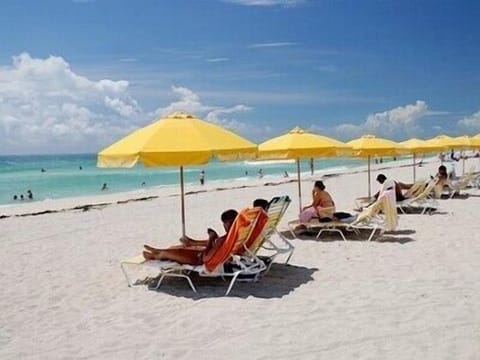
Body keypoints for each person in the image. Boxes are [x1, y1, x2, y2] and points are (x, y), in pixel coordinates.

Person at [143, 209, 238, 265]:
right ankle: (158, 250)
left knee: (180, 251)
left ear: (228, 223)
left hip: (199, 259)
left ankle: (156, 255)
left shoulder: (225, 238)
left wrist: (211, 239)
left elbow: (206, 259)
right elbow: (217, 244)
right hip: (212, 255)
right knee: (180, 248)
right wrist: (196, 242)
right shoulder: (234, 234)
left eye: (224, 223)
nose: (223, 226)